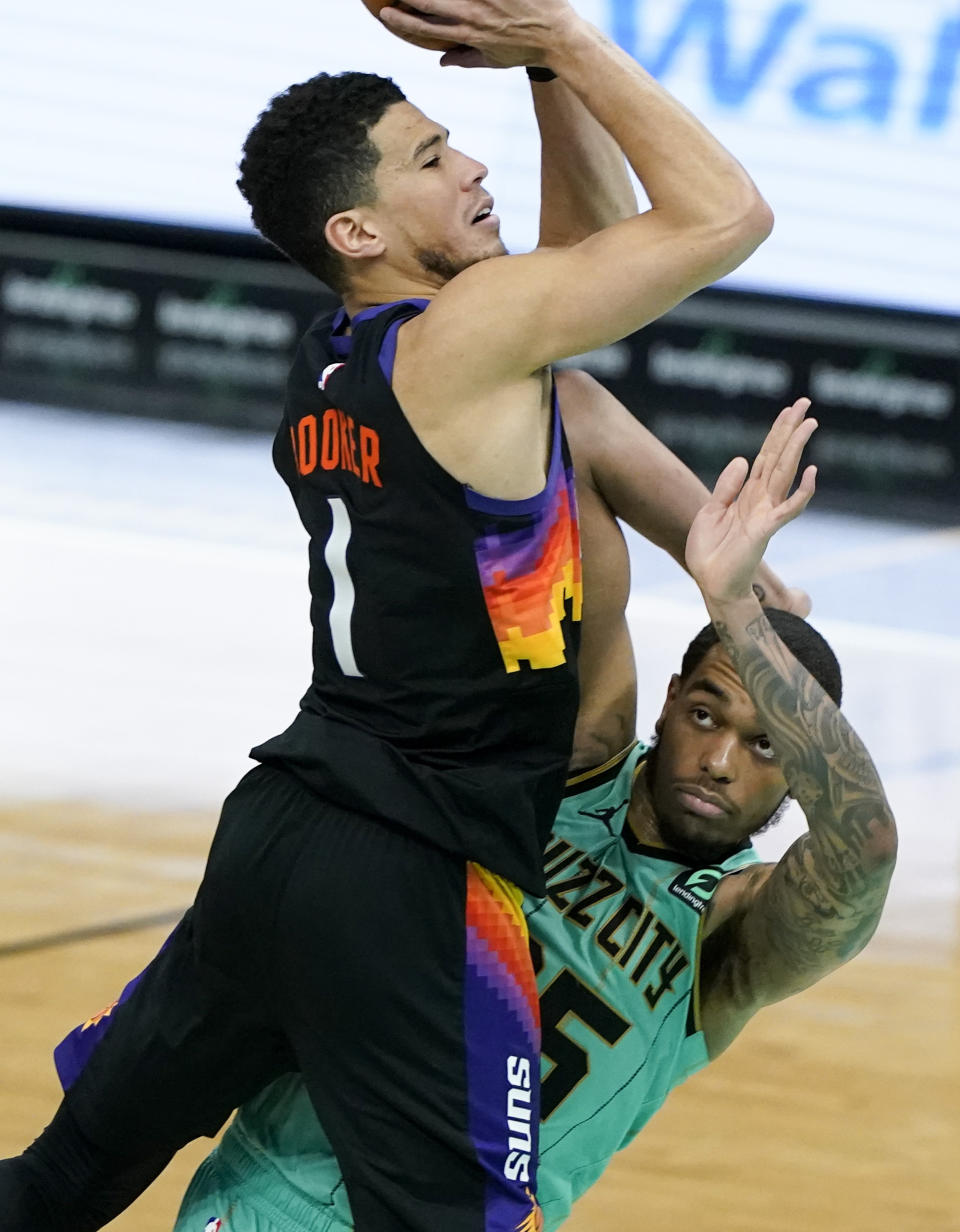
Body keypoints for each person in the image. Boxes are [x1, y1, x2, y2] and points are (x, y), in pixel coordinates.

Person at [0, 0, 773, 1232]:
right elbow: (726, 215)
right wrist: (567, 36)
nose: (470, 166)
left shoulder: (347, 359)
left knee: (63, 1182)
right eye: (431, 156)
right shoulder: (471, 338)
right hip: (415, 870)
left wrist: (539, 76)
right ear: (358, 229)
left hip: (285, 832)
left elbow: (570, 284)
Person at [168, 400, 896, 1231]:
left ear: (802, 776)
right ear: (667, 704)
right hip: (287, 1188)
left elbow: (865, 845)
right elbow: (571, 415)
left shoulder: (732, 937)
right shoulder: (575, 762)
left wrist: (739, 612)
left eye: (766, 747)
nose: (720, 761)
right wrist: (731, 568)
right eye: (705, 716)